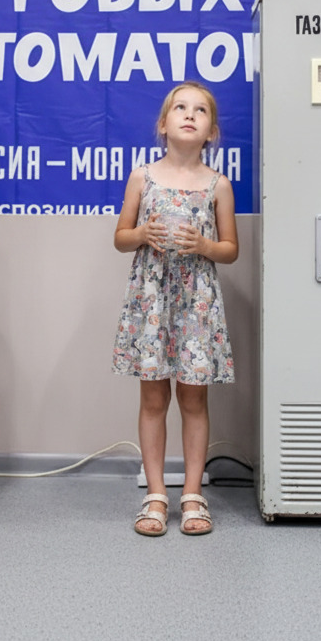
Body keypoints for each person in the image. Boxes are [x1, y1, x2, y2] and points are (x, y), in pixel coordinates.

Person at [112, 81, 238, 536]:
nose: (189, 114)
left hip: (196, 304)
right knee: (152, 399)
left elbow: (230, 249)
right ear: (163, 125)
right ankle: (155, 494)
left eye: (200, 110)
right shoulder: (142, 178)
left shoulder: (218, 185)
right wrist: (142, 234)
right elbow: (121, 237)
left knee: (193, 399)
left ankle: (192, 494)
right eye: (180, 108)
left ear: (211, 131)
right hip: (152, 300)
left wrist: (204, 245)